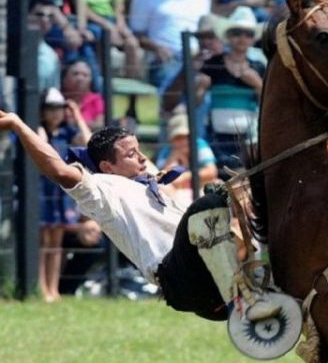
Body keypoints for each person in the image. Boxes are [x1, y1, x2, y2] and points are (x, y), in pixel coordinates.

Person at [0, 111, 278, 324]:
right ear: (107, 166)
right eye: (132, 154)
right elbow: (59, 170)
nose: (143, 158)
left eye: (139, 149)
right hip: (181, 279)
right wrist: (18, 124)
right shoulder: (102, 190)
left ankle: (273, 285)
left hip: (205, 287)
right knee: (209, 202)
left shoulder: (148, 181)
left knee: (235, 191)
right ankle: (239, 298)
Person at [37, 87, 93, 302]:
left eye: (60, 108)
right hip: (43, 193)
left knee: (56, 243)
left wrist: (77, 114)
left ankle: (54, 289)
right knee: (44, 241)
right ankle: (42, 289)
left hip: (60, 195)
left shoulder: (68, 133)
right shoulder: (40, 132)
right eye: (50, 108)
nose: (55, 113)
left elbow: (88, 142)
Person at [197, 6, 265, 174]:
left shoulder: (259, 67)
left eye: (248, 34)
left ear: (253, 38)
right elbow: (196, 101)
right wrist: (200, 87)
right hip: (216, 134)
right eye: (236, 33)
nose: (242, 38)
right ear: (228, 36)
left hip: (248, 138)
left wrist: (258, 84)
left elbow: (268, 102)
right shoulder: (213, 63)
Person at [128, 0, 211, 89]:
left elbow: (206, 29)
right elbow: (136, 33)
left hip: (197, 57)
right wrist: (157, 48)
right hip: (166, 58)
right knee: (170, 88)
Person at [155, 113, 220, 204]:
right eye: (178, 138)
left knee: (218, 185)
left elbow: (212, 172)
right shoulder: (166, 151)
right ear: (171, 139)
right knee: (162, 189)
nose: (183, 141)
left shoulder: (200, 145)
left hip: (200, 188)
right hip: (177, 193)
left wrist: (186, 176)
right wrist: (173, 158)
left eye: (186, 137)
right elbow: (162, 179)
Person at [61, 60, 104, 129]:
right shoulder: (58, 99)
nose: (80, 78)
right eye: (75, 74)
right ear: (65, 79)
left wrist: (74, 122)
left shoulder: (96, 100)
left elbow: (100, 125)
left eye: (85, 75)